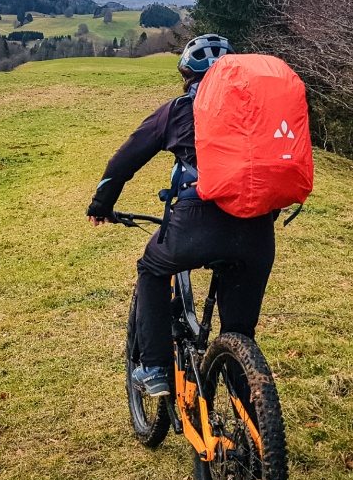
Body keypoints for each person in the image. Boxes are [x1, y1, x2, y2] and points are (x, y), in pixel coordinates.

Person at [86, 34, 277, 396]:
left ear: (188, 77)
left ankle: (156, 368)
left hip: (198, 224)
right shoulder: (259, 110)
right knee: (239, 334)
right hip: (257, 230)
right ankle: (256, 432)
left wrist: (101, 205)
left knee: (152, 268)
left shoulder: (178, 109)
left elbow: (124, 161)